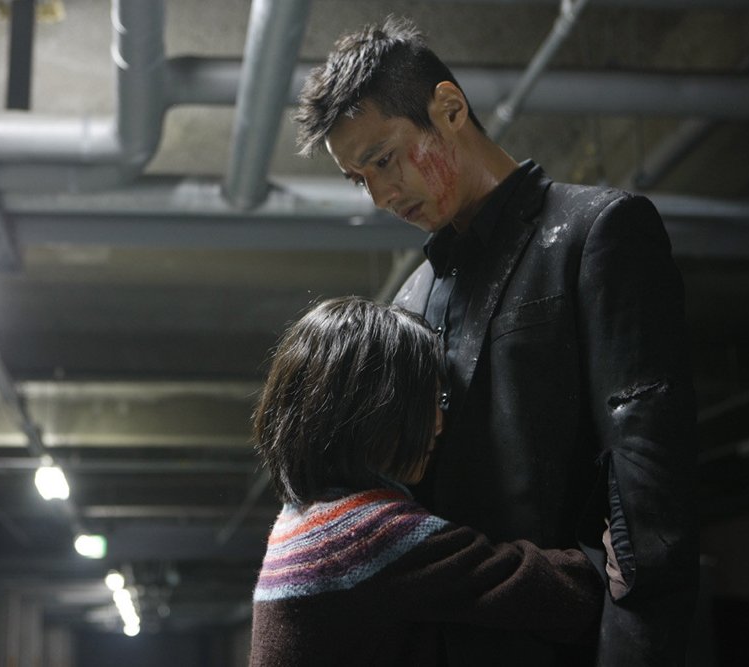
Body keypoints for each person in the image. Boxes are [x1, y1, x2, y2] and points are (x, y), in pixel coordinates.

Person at [293, 16, 699, 666]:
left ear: (449, 109)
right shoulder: (410, 301)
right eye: (359, 178)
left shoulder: (595, 231)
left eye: (384, 159)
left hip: (578, 645)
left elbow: (647, 492)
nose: (380, 195)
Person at [249, 296, 604, 667]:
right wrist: (611, 557)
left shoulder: (302, 517)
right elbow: (549, 594)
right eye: (428, 402)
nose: (437, 424)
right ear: (375, 410)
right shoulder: (365, 533)